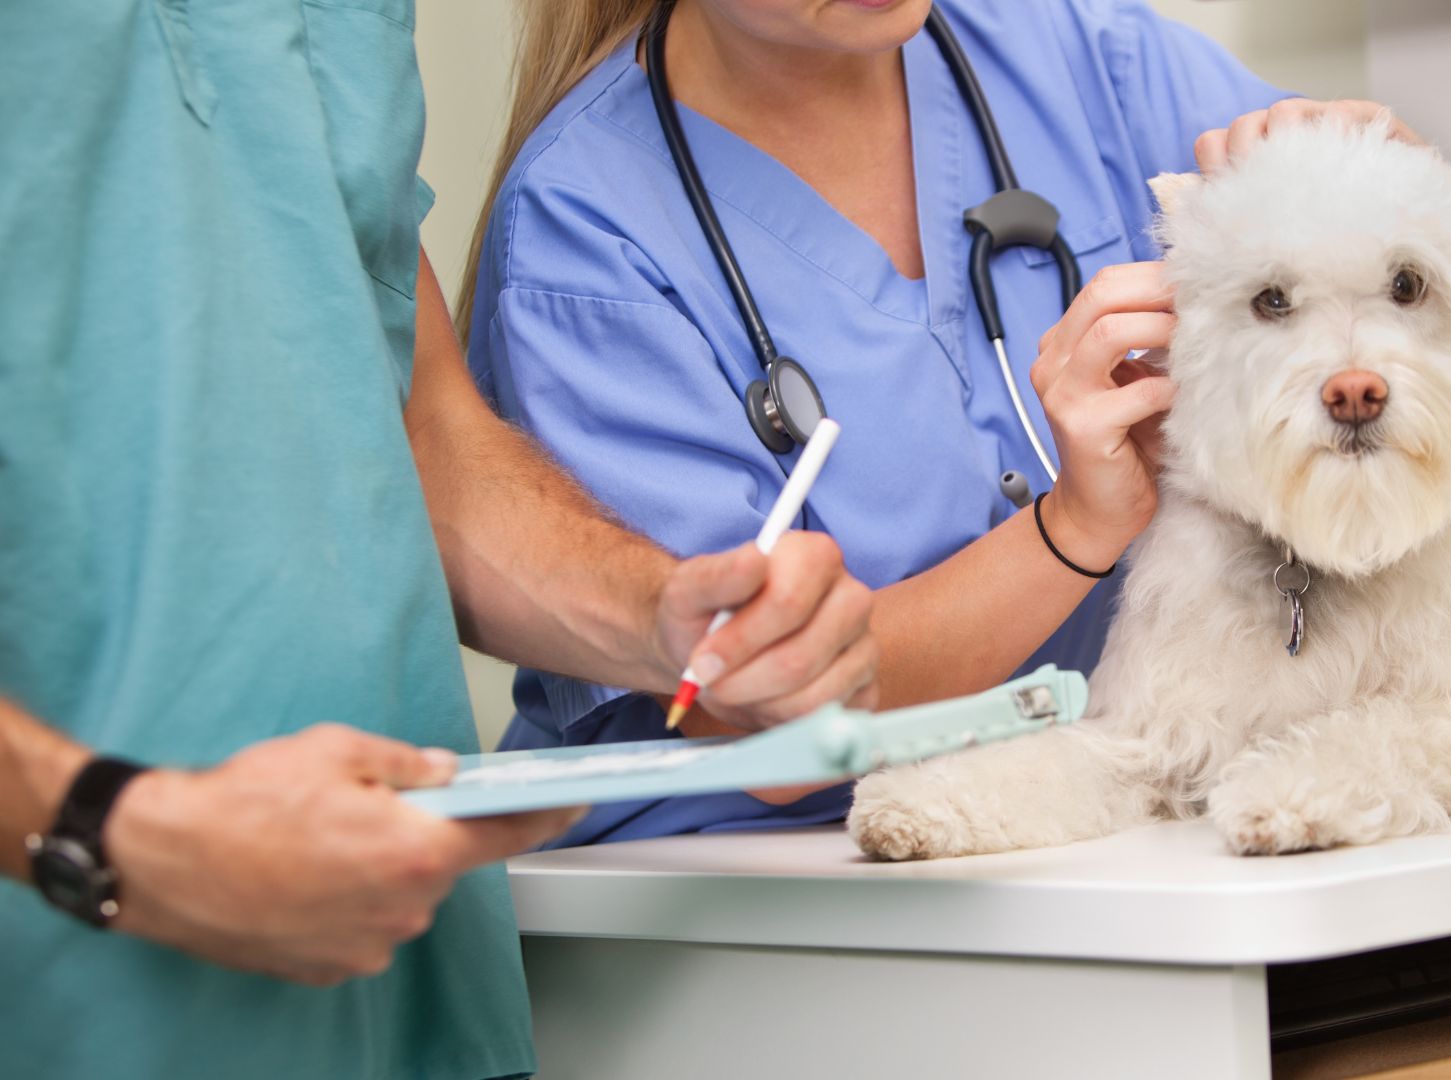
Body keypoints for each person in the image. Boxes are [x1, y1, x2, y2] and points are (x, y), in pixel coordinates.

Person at [0, 2, 876, 1077]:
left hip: (403, 987)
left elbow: (415, 429)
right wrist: (112, 830)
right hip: (75, 975)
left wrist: (663, 618)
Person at [460, 0, 1418, 845]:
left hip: (1111, 824)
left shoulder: (1075, 55)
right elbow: (759, 710)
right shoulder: (587, 228)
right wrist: (1075, 528)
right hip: (740, 879)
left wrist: (1390, 190)